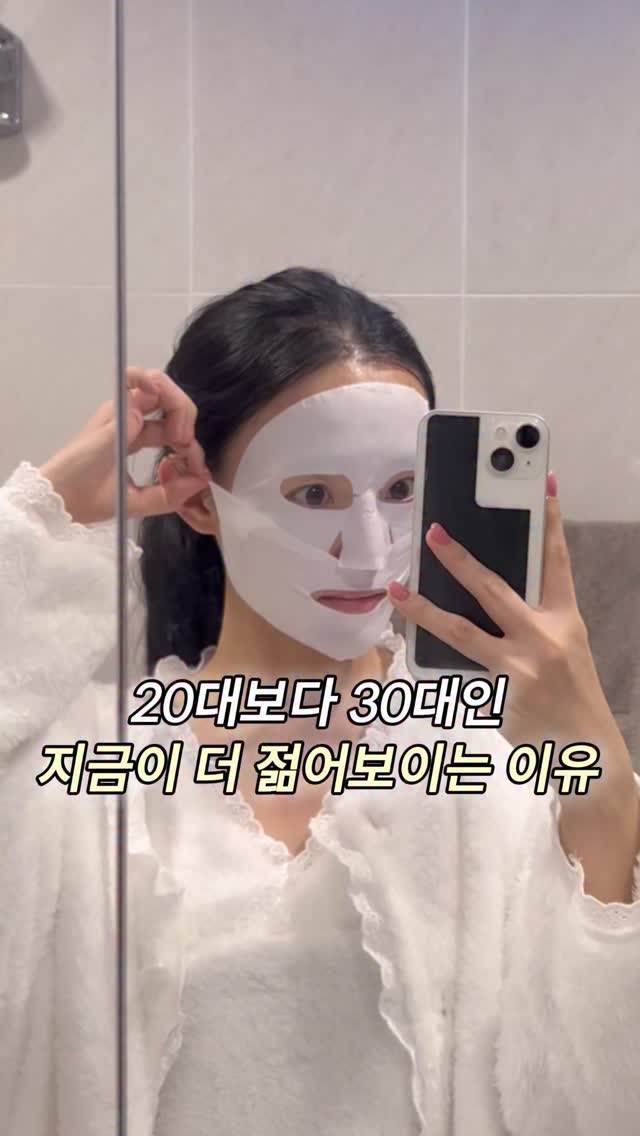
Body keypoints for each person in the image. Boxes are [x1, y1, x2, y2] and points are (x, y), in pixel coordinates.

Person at [0, 267, 638, 1136]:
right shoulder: (85, 771)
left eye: (402, 491)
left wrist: (598, 763)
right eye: (312, 495)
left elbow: (599, 1094)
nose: (369, 549)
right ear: (201, 502)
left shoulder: (492, 766)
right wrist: (41, 521)